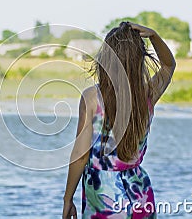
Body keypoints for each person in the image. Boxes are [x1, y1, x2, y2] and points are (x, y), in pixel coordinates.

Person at [62, 22, 176, 219]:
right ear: (139, 60)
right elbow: (168, 65)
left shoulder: (92, 97)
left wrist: (67, 199)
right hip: (139, 190)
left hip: (102, 194)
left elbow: (80, 156)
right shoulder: (147, 95)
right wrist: (155, 36)